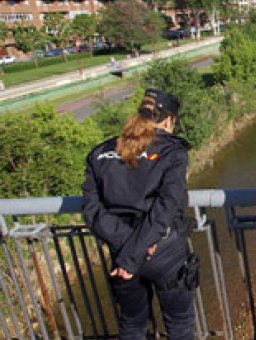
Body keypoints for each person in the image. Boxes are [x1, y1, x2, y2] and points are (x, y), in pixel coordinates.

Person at [82, 89, 196, 339]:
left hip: (120, 253)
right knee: (179, 324)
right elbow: (167, 207)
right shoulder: (173, 152)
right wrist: (137, 249)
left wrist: (127, 250)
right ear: (169, 120)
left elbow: (91, 210)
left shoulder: (99, 153)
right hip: (163, 251)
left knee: (132, 324)